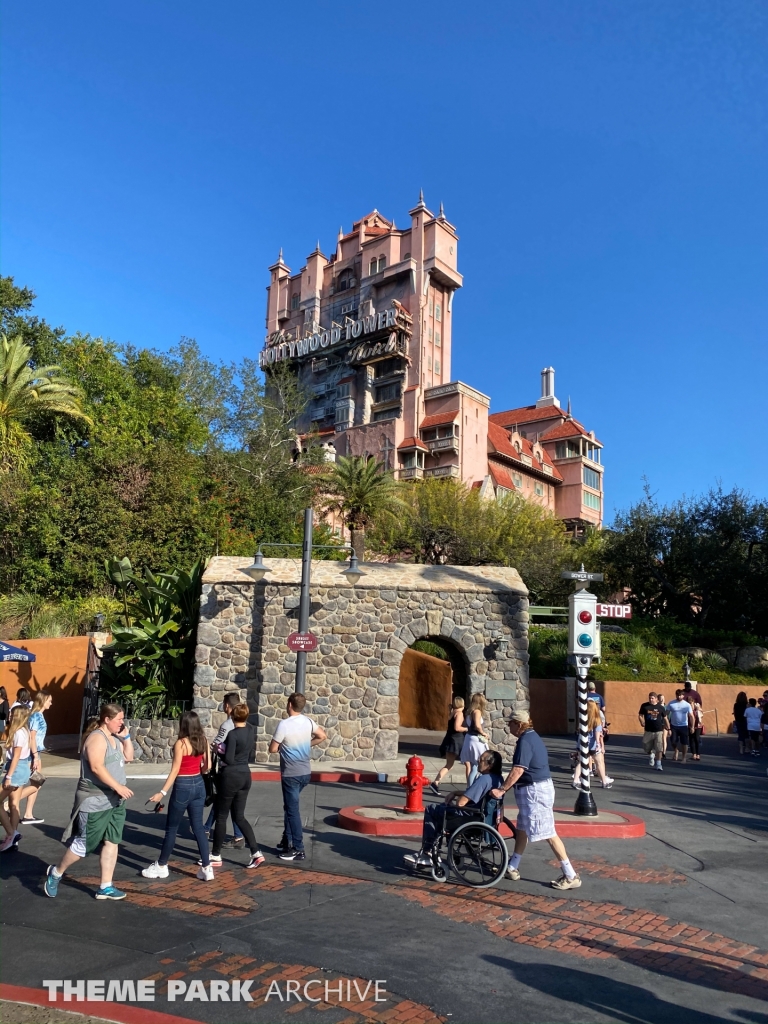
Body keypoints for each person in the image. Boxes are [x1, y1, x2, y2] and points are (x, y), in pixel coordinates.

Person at [44, 703, 134, 900]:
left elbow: (129, 757)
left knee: (112, 841)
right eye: (118, 719)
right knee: (84, 845)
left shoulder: (115, 738)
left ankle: (105, 886)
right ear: (107, 719)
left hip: (115, 801)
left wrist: (126, 738)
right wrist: (118, 787)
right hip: (95, 800)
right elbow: (95, 767)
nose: (122, 722)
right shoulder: (96, 739)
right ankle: (56, 872)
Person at [492, 711, 581, 890]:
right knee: (522, 828)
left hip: (535, 791)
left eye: (511, 723)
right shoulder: (532, 737)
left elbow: (518, 770)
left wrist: (502, 790)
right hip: (534, 789)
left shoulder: (525, 741)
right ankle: (512, 866)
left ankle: (570, 875)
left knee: (548, 832)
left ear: (518, 724)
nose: (509, 726)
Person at [142, 711, 214, 880]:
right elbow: (208, 766)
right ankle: (207, 867)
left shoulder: (181, 744)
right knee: (198, 827)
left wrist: (162, 792)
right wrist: (199, 771)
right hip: (199, 784)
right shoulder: (203, 741)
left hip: (183, 785)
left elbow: (175, 770)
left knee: (171, 828)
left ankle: (161, 865)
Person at [404, 750, 504, 867]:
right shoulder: (498, 779)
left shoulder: (483, 779)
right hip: (483, 817)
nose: (478, 761)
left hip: (469, 817)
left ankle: (428, 852)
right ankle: (435, 849)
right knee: (441, 808)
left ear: (489, 765)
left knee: (432, 809)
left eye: (481, 760)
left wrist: (456, 800)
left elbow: (461, 803)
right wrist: (456, 792)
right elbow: (477, 794)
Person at [269, 692, 326, 861]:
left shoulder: (284, 725)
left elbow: (273, 749)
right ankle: (287, 840)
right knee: (289, 806)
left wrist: (284, 747)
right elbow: (322, 736)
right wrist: (306, 744)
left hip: (290, 774)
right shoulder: (308, 722)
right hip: (305, 773)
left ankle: (298, 848)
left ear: (289, 705)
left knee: (292, 811)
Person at [209, 703, 264, 868]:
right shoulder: (250, 731)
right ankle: (255, 852)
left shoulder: (232, 734)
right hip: (245, 775)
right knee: (239, 816)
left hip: (231, 776)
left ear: (233, 717)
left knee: (221, 816)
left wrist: (218, 750)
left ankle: (216, 855)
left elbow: (229, 759)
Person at [204, 692, 245, 847]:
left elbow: (216, 745)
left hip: (227, 769)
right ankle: (237, 835)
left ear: (227, 706)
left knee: (223, 801)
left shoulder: (227, 725)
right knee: (229, 802)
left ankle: (208, 829)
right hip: (241, 768)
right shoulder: (244, 724)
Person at [0, 706, 33, 851]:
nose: (10, 716)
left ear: (19, 716)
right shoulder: (24, 731)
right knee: (14, 804)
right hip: (21, 768)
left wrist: (8, 776)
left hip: (17, 769)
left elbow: (16, 757)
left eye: (13, 715)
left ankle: (11, 833)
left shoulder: (19, 733)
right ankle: (12, 839)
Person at [19, 690, 52, 825]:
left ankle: (28, 814)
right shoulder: (36, 716)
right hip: (33, 754)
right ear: (43, 701)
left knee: (35, 783)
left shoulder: (37, 715)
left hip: (35, 753)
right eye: (49, 700)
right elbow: (32, 737)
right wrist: (35, 757)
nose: (51, 703)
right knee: (37, 782)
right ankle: (8, 804)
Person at [572, 700, 614, 789]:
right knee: (600, 763)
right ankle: (604, 782)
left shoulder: (583, 719)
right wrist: (599, 744)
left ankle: (575, 780)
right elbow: (597, 733)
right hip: (593, 745)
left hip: (583, 743)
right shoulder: (597, 719)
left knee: (581, 762)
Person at [430, 696, 468, 794]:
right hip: (457, 741)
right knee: (468, 763)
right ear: (462, 704)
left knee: (449, 764)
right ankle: (470, 786)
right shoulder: (459, 713)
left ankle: (435, 783)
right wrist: (467, 729)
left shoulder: (452, 713)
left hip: (450, 740)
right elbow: (457, 728)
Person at [459, 693, 489, 785]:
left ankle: (470, 787)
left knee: (474, 766)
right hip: (476, 739)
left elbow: (465, 724)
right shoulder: (477, 712)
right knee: (477, 765)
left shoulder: (469, 712)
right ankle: (471, 788)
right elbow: (477, 725)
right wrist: (484, 733)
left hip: (469, 738)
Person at [638, 692, 668, 771]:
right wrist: (641, 721)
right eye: (650, 698)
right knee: (645, 746)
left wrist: (668, 727)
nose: (651, 700)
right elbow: (640, 715)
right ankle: (651, 754)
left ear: (656, 699)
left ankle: (658, 764)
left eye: (652, 698)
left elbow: (665, 718)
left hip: (658, 730)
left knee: (659, 748)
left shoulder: (660, 707)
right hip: (648, 730)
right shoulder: (645, 706)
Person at [667, 690, 695, 763]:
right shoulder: (671, 703)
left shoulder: (687, 705)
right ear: (676, 695)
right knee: (673, 741)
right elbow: (666, 715)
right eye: (677, 695)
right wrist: (667, 725)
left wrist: (692, 727)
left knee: (684, 743)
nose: (679, 697)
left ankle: (684, 757)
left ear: (683, 696)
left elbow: (691, 716)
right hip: (673, 726)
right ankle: (676, 750)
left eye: (680, 695)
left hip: (683, 726)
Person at [687, 695, 703, 761]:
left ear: (693, 702)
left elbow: (701, 713)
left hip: (698, 725)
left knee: (697, 738)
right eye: (689, 703)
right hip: (690, 725)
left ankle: (698, 754)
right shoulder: (687, 708)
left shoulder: (697, 707)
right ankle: (693, 754)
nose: (690, 704)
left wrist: (698, 709)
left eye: (691, 703)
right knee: (691, 739)